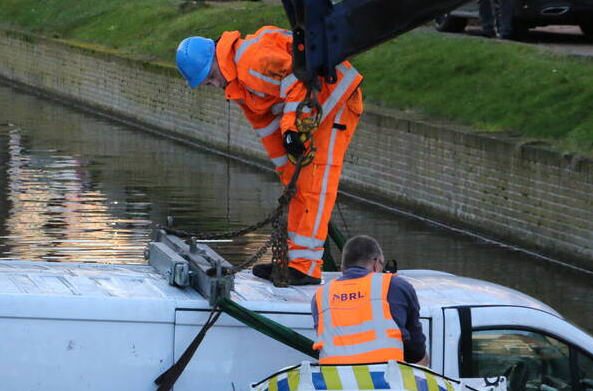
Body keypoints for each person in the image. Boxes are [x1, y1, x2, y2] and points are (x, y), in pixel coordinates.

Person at [175, 27, 364, 286]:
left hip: (334, 99)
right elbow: (265, 126)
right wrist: (285, 169)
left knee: (314, 183)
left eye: (212, 77)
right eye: (208, 83)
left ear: (216, 59)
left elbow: (301, 81)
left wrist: (292, 132)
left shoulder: (252, 62)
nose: (215, 85)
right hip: (314, 105)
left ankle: (305, 268)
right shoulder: (238, 83)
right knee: (297, 187)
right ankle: (294, 262)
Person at [310, 235, 428, 366]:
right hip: (385, 376)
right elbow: (415, 351)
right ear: (376, 263)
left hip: (333, 377)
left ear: (343, 268)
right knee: (422, 360)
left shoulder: (321, 295)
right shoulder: (395, 285)